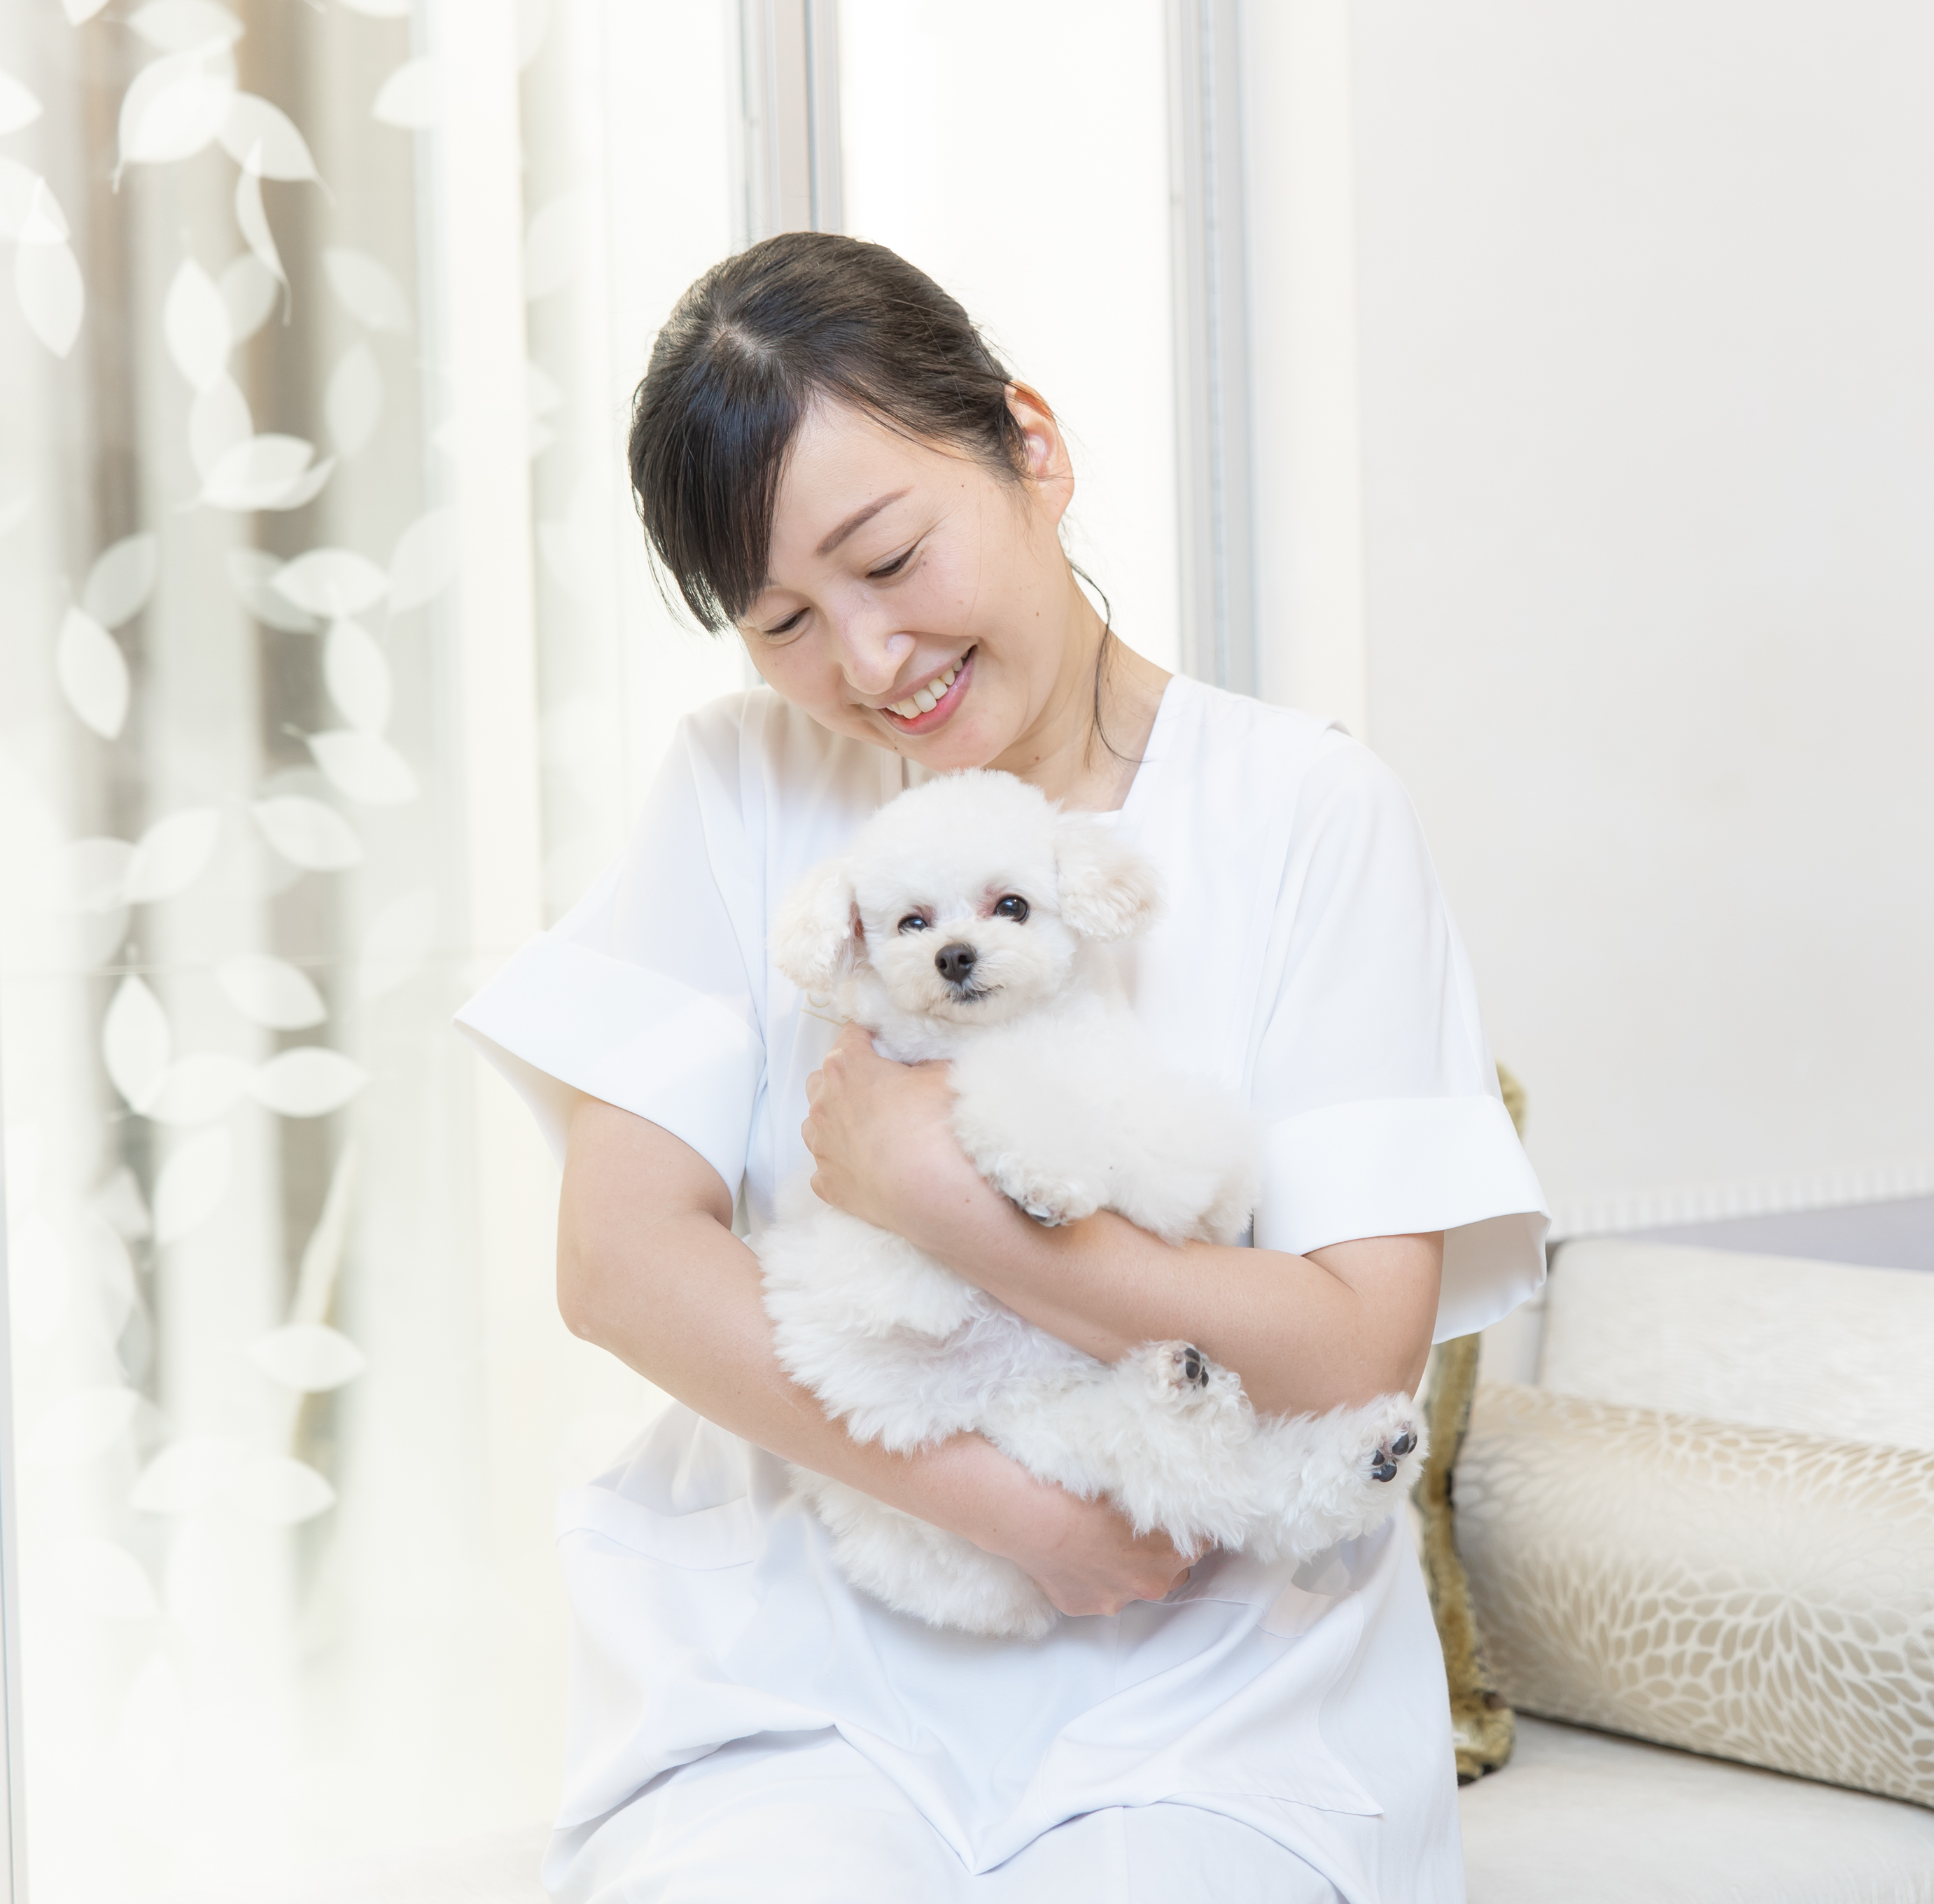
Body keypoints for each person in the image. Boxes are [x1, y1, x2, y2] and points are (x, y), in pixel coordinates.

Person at [456, 231, 1546, 1902]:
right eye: (785, 620)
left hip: (1218, 1696)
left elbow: (1352, 1345)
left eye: (892, 557)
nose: (869, 662)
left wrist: (951, 1203)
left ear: (1030, 446)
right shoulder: (742, 784)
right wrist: (997, 1504)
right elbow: (619, 1261)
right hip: (806, 1678)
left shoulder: (1307, 812)